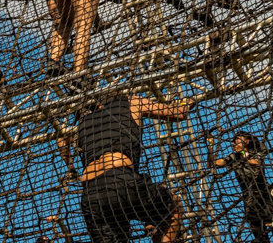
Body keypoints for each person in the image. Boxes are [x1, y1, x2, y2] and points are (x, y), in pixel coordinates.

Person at [76, 93, 191, 243]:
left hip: (91, 195)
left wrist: (71, 168)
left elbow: (63, 142)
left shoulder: (84, 122)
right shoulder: (132, 101)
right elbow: (178, 113)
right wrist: (189, 102)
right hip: (121, 180)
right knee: (174, 206)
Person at [205, 130, 273, 243]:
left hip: (265, 196)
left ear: (247, 142)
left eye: (236, 141)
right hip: (250, 200)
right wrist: (211, 145)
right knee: (257, 232)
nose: (233, 143)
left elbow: (257, 165)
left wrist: (243, 154)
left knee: (267, 217)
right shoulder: (234, 157)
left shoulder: (256, 152)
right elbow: (212, 165)